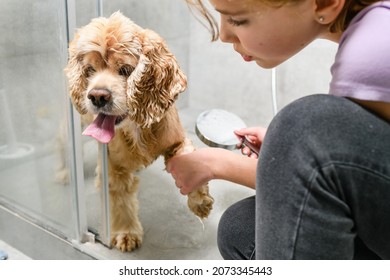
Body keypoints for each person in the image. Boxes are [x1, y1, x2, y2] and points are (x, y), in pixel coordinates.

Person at [166, 0, 390, 259]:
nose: (224, 35)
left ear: (326, 4)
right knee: (241, 228)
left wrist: (223, 164)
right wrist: (285, 154)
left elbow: (321, 172)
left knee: (301, 130)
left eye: (237, 20)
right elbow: (362, 175)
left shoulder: (373, 49)